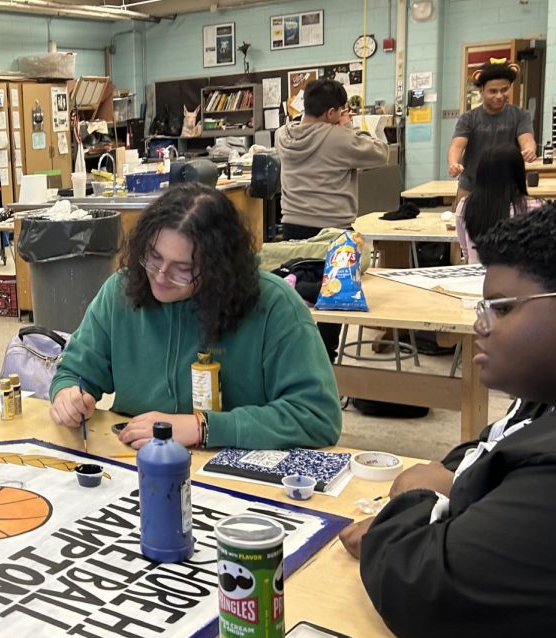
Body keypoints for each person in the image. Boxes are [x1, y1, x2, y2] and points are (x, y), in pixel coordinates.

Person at [339, 200, 556, 638]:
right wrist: (454, 486)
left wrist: (418, 499)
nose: (479, 325)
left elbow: (422, 587)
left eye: (503, 307)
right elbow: (481, 449)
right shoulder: (548, 398)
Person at [48, 183, 341, 450]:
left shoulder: (274, 306)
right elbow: (75, 371)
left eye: (183, 268)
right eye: (154, 256)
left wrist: (204, 426)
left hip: (235, 471)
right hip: (138, 463)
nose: (160, 277)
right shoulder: (121, 291)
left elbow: (317, 416)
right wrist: (68, 396)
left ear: (219, 268)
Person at [275, 77, 394, 239]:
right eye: (340, 111)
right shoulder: (339, 138)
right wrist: (348, 126)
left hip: (291, 227)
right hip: (332, 229)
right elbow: (381, 153)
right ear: (331, 113)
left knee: (299, 265)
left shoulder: (282, 135)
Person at [447, 60, 537, 198]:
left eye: (504, 90)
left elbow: (527, 139)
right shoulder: (468, 118)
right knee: (465, 219)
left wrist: (529, 150)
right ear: (481, 91)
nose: (499, 96)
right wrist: (453, 163)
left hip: (508, 187)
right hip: (471, 187)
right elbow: (457, 146)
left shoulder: (520, 115)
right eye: (493, 91)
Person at [455, 146, 542, 264]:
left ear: (480, 174)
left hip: (477, 279)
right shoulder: (537, 209)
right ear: (520, 174)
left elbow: (466, 254)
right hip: (521, 280)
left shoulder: (465, 207)